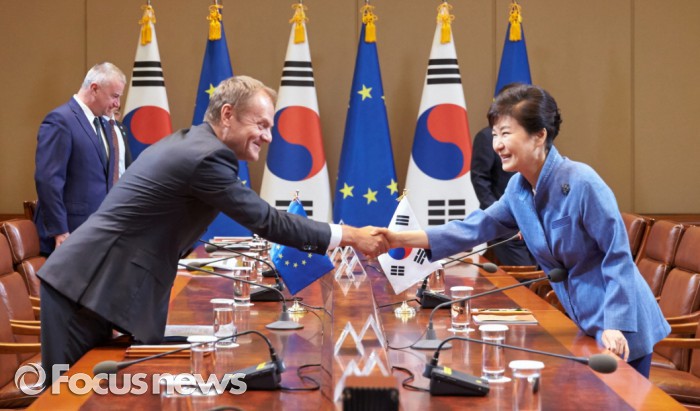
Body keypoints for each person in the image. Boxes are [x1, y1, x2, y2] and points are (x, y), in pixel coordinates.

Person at [38, 75, 389, 386]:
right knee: (68, 396)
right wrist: (350, 236)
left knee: (93, 393)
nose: (268, 137)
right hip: (83, 288)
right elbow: (267, 221)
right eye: (261, 125)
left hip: (94, 286)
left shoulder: (194, 143)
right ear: (227, 115)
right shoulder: (206, 157)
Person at [375, 84, 669, 378]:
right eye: (494, 134)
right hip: (586, 321)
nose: (497, 145)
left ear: (539, 135)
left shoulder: (582, 182)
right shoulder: (518, 189)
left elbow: (617, 255)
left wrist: (615, 324)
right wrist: (397, 239)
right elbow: (473, 228)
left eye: (505, 133)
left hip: (622, 326)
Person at [34, 62, 126, 255]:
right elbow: (48, 180)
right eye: (115, 96)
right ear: (94, 89)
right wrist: (59, 230)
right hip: (69, 234)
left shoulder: (103, 124)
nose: (117, 104)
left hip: (98, 233)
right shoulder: (60, 120)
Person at [470, 125, 535, 266]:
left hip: (533, 221)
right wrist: (499, 217)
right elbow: (479, 178)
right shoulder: (486, 136)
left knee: (543, 272)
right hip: (505, 223)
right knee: (526, 274)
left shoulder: (531, 134)